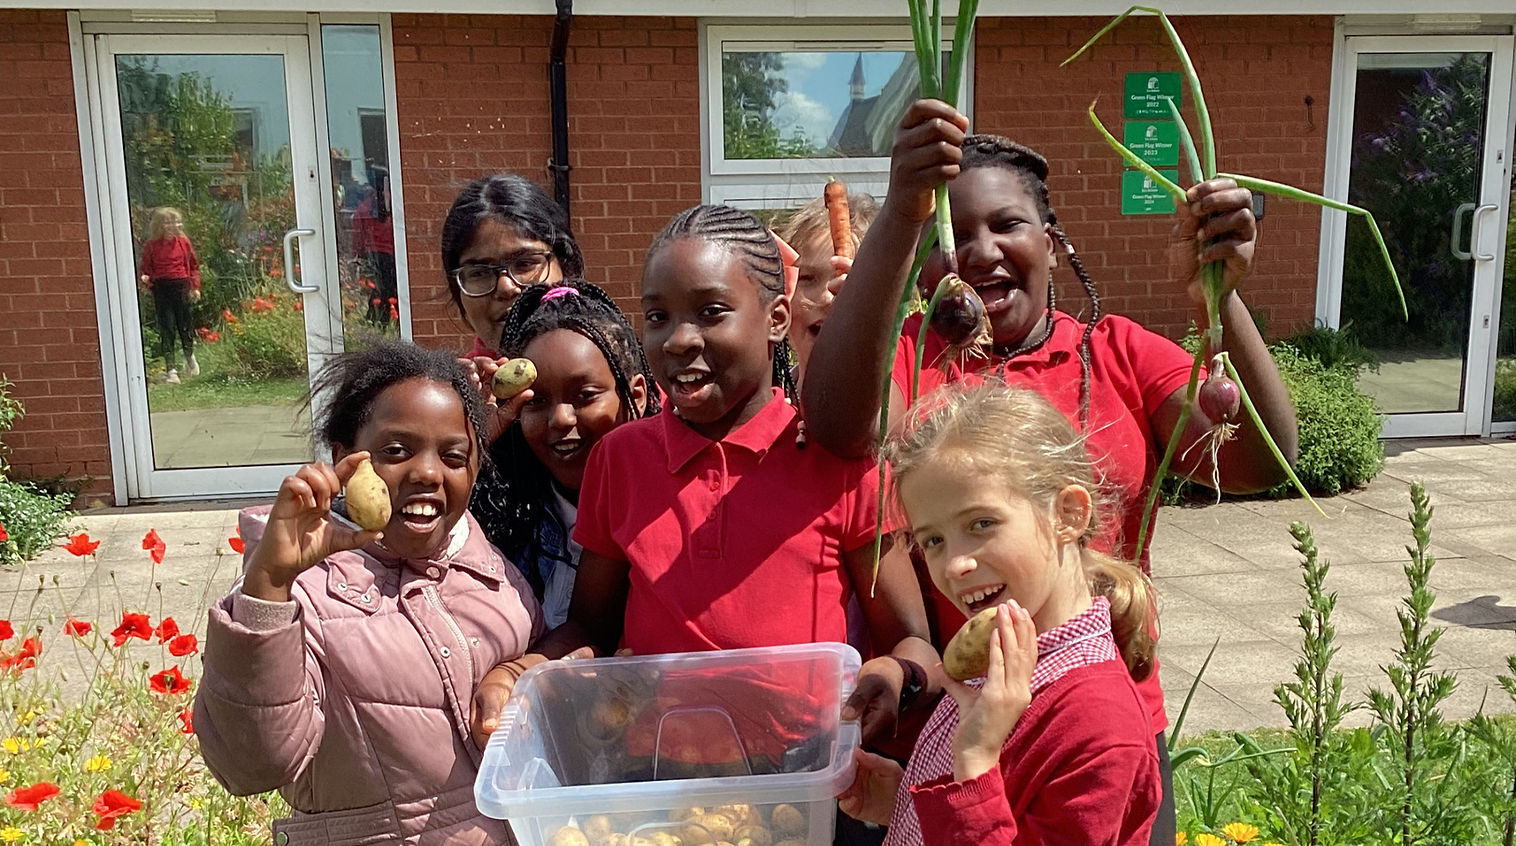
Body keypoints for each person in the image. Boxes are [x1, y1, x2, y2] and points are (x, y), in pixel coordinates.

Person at [801, 101, 1299, 843]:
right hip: (962, 719)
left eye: (1006, 225)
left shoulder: (1117, 352)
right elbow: (841, 428)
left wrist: (1219, 303)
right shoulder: (912, 355)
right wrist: (900, 219)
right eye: (953, 235)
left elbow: (1260, 461)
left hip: (1094, 721)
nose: (979, 251)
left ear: (1052, 241)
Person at [470, 204, 941, 754]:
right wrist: (523, 671)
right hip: (661, 785)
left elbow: (917, 645)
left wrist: (894, 676)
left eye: (711, 311)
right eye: (657, 316)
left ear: (777, 320)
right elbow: (590, 629)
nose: (678, 340)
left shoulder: (838, 461)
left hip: (809, 781)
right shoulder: (620, 461)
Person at [193, 340, 542, 846]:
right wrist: (268, 582)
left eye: (453, 455)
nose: (426, 472)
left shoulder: (493, 575)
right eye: (396, 451)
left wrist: (519, 672)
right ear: (343, 460)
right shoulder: (304, 595)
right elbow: (252, 765)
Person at [839, 383, 1161, 846]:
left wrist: (974, 763)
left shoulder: (1099, 725)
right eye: (933, 540)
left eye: (981, 524)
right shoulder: (1004, 663)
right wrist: (903, 805)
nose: (954, 564)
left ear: (1068, 514)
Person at [469, 280, 657, 628]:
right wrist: (470, 445)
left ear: (637, 397)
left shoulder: (666, 514)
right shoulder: (504, 522)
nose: (560, 418)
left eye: (584, 395)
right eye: (537, 401)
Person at [441, 173, 583, 358]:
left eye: (525, 263)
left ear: (567, 270)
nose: (506, 287)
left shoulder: (615, 378)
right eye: (479, 273)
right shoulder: (456, 386)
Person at [778, 190, 880, 389]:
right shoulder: (770, 397)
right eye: (807, 278)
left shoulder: (899, 399)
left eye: (849, 281)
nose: (826, 297)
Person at [138, 206, 202, 384]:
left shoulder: (183, 242)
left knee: (185, 324)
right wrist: (146, 279)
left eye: (174, 222)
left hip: (181, 285)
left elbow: (193, 265)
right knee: (167, 328)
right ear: (159, 225)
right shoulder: (152, 246)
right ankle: (171, 369)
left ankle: (189, 356)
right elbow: (145, 268)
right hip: (162, 287)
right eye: (167, 222)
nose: (171, 226)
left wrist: (195, 287)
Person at [353, 167, 398, 328]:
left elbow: (358, 235)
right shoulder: (393, 204)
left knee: (381, 291)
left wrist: (357, 254)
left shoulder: (365, 207)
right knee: (387, 291)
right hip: (390, 255)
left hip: (376, 256)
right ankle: (381, 321)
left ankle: (377, 321)